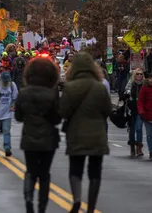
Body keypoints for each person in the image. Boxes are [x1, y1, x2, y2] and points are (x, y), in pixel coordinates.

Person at [60, 52, 111, 213]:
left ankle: (76, 198)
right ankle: (91, 207)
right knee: (95, 171)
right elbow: (107, 110)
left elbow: (64, 112)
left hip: (76, 133)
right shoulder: (101, 87)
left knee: (76, 168)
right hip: (97, 134)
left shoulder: (70, 87)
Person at [15, 57, 61, 213]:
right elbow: (57, 118)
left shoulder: (23, 93)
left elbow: (18, 117)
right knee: (44, 174)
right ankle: (42, 206)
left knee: (31, 171)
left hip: (29, 138)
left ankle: (28, 200)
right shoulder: (52, 94)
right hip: (48, 139)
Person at [0, 71, 18, 156]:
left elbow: (15, 97)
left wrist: (13, 105)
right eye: (5, 81)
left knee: (6, 131)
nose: (6, 82)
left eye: (8, 80)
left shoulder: (12, 85)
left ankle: (7, 148)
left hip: (7, 113)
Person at [124, 68, 145, 157]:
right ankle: (132, 145)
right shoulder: (130, 84)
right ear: (134, 75)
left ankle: (139, 147)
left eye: (141, 74)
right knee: (132, 130)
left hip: (140, 110)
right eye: (137, 74)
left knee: (139, 128)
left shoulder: (144, 84)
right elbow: (124, 92)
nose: (139, 75)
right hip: (131, 110)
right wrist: (127, 94)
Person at [137, 74, 152, 160]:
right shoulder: (144, 88)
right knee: (150, 135)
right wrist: (142, 112)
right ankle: (151, 151)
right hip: (147, 115)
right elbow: (140, 101)